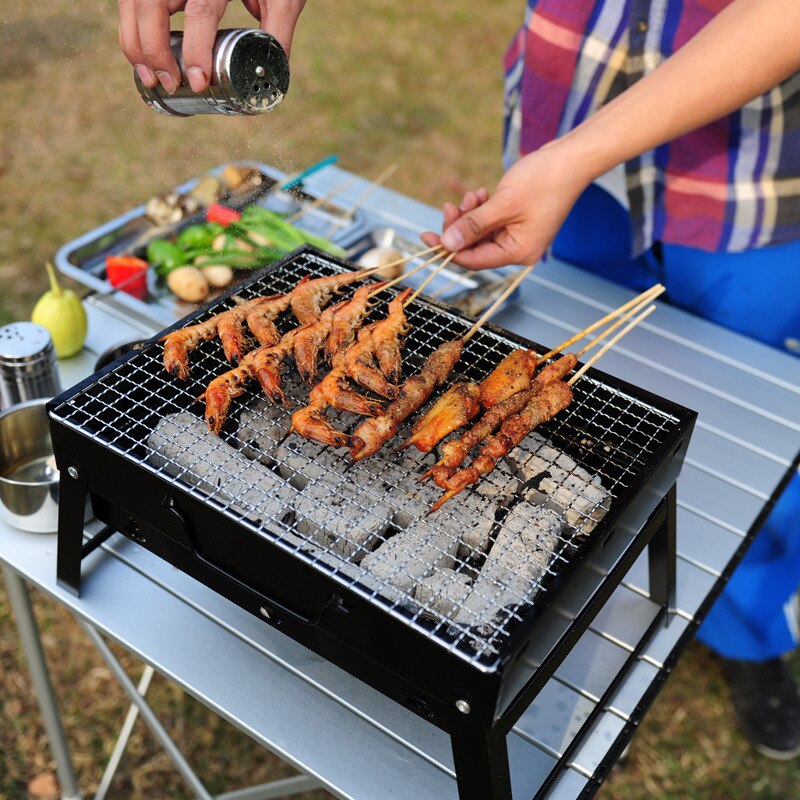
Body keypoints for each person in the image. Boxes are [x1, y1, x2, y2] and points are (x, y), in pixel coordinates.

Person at [116, 0, 800, 759]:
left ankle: (756, 637)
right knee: (565, 358)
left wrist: (571, 160)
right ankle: (578, 625)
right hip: (570, 113)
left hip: (748, 177)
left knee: (750, 442)